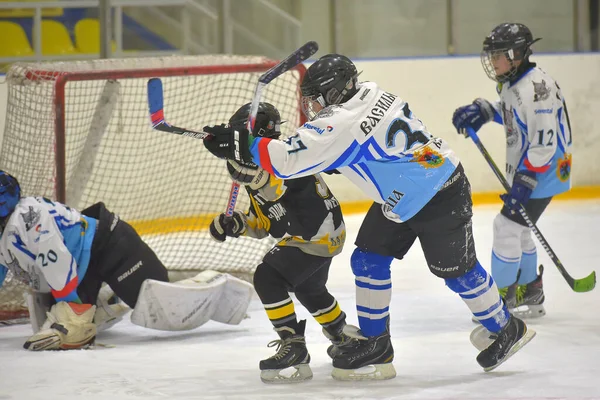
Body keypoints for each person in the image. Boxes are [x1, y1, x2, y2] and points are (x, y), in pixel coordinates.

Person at [201, 53, 536, 380]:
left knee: (457, 273)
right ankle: (377, 345)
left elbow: (287, 160)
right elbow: (348, 144)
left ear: (334, 93)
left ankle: (507, 328)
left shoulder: (341, 123)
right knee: (368, 260)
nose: (313, 109)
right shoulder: (373, 92)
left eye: (316, 100)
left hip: (438, 192)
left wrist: (239, 143)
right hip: (404, 193)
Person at [0, 171, 254, 351]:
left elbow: (56, 261)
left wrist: (71, 308)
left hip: (111, 246)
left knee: (163, 307)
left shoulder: (26, 216)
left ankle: (219, 289)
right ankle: (105, 299)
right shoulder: (8, 226)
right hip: (83, 266)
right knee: (58, 320)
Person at [208, 102, 354, 384]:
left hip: (316, 235)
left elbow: (276, 186)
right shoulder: (260, 166)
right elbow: (265, 222)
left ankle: (293, 346)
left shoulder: (287, 156)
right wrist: (236, 224)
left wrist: (247, 173)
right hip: (315, 234)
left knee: (268, 276)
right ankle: (343, 336)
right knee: (310, 289)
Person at [452, 23, 572, 318]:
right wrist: (484, 111)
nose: (492, 61)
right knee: (518, 229)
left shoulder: (536, 89)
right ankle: (530, 288)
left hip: (543, 170)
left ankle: (503, 295)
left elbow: (544, 143)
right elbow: (512, 111)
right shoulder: (514, 82)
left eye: (497, 55)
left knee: (505, 227)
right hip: (533, 168)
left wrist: (524, 182)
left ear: (516, 53)